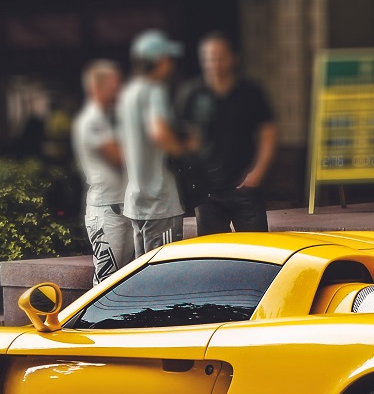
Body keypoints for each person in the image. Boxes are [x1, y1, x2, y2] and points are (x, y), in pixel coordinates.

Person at [176, 32, 277, 235]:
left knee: (257, 253)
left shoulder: (251, 93)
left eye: (219, 57)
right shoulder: (192, 93)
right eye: (209, 58)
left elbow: (269, 134)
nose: (214, 63)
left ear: (233, 58)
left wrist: (257, 173)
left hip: (245, 188)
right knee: (214, 257)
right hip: (208, 193)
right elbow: (185, 137)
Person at [117, 29, 194, 255]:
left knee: (144, 276)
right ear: (158, 61)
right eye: (169, 58)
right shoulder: (153, 91)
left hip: (136, 199)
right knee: (166, 276)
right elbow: (159, 132)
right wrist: (182, 149)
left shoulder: (128, 93)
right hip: (159, 201)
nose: (171, 64)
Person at [72, 60, 132, 284]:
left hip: (125, 207)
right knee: (106, 280)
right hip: (106, 211)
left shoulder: (111, 118)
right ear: (96, 87)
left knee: (126, 279)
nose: (120, 90)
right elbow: (120, 157)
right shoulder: (92, 120)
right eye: (114, 85)